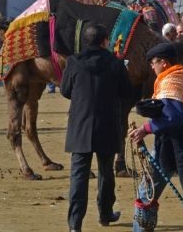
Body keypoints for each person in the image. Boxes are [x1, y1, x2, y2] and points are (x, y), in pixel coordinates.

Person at [129, 42, 183, 232]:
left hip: (175, 146)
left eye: (154, 62)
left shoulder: (171, 82)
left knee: (147, 192)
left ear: (164, 62)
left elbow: (174, 117)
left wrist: (146, 128)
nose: (152, 67)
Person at [61, 25, 134, 232]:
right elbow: (127, 92)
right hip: (107, 123)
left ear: (86, 41)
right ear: (104, 41)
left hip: (80, 125)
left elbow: (66, 91)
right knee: (106, 173)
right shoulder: (115, 63)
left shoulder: (73, 62)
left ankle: (75, 223)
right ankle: (105, 213)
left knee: (78, 175)